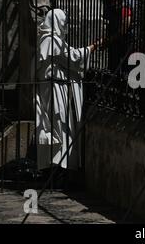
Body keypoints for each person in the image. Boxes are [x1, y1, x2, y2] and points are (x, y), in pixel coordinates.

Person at [36, 9, 104, 171]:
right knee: (60, 125)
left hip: (54, 86)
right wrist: (92, 47)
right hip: (54, 88)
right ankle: (60, 166)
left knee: (58, 125)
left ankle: (59, 164)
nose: (65, 27)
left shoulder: (50, 39)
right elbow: (72, 57)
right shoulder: (51, 40)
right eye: (63, 23)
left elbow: (67, 54)